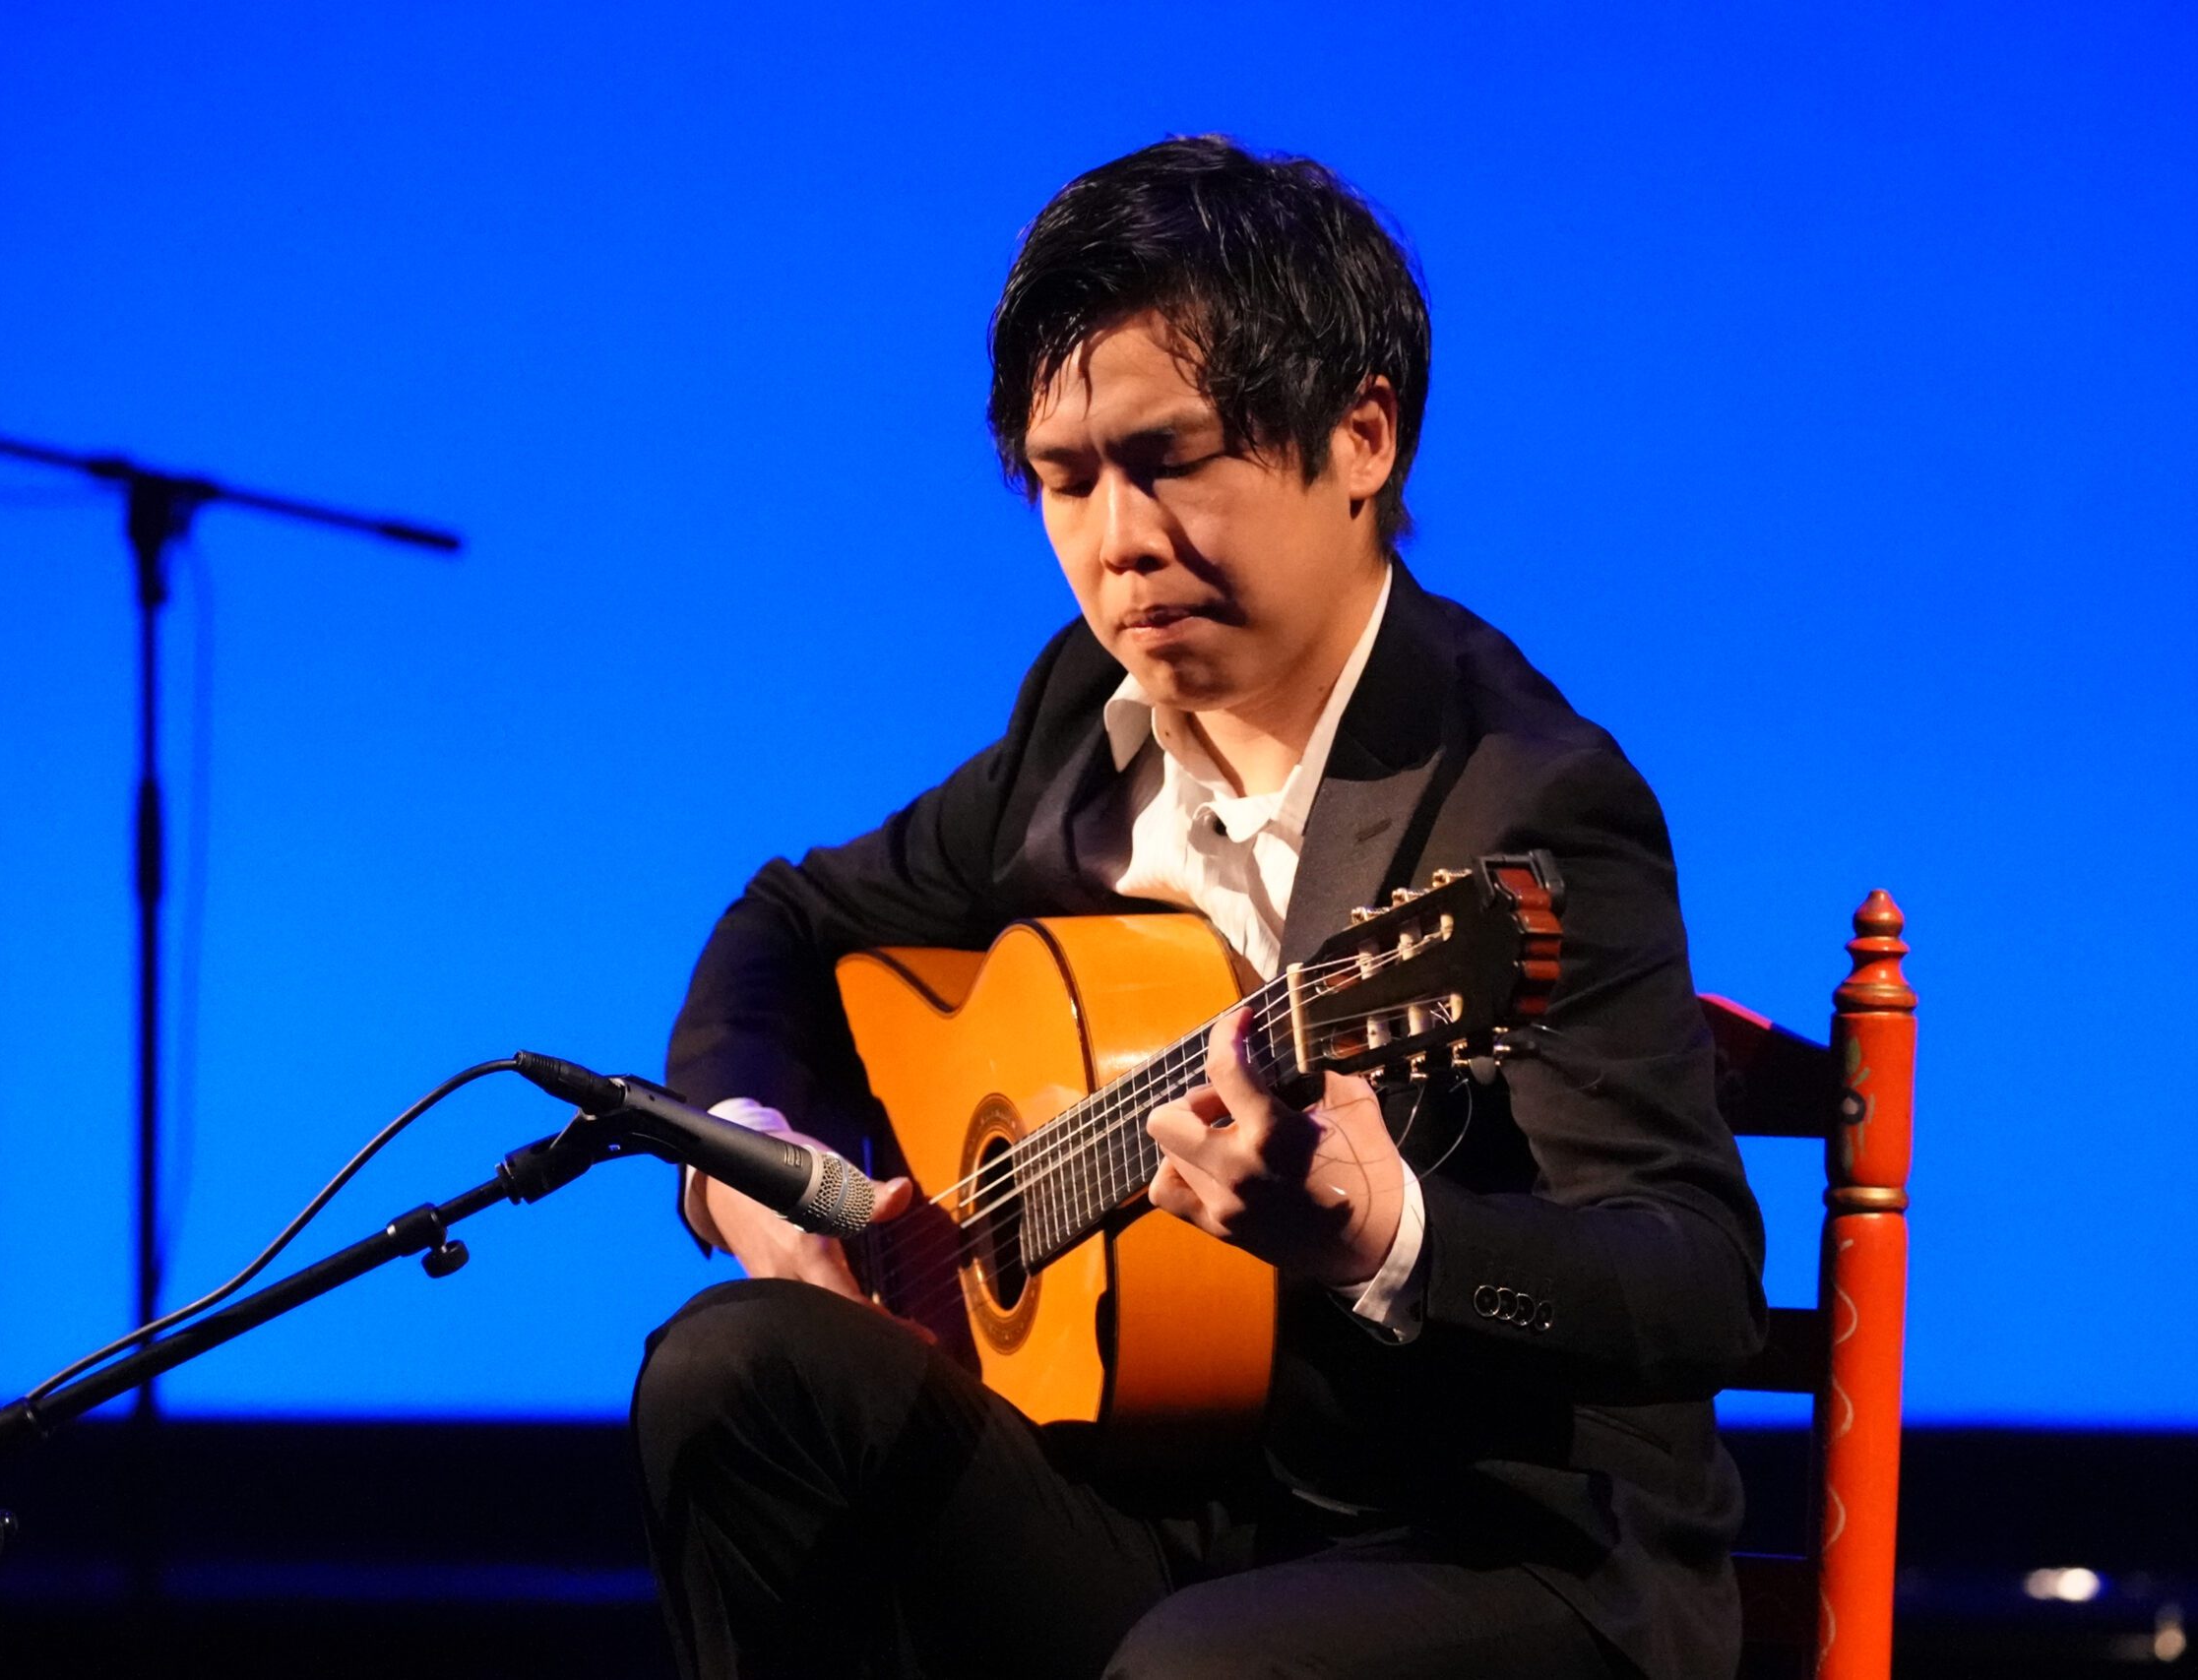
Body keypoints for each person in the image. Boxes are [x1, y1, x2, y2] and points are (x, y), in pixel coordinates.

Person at [635, 135, 1768, 1680]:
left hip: (1497, 1552)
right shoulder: (1079, 727)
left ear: (1362, 438)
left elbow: (1694, 1278)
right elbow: (792, 918)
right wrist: (756, 1154)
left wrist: (1392, 1234)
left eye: (1169, 459)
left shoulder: (1527, 803)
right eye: (1065, 479)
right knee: (733, 1374)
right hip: (1167, 1502)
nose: (1115, 544)